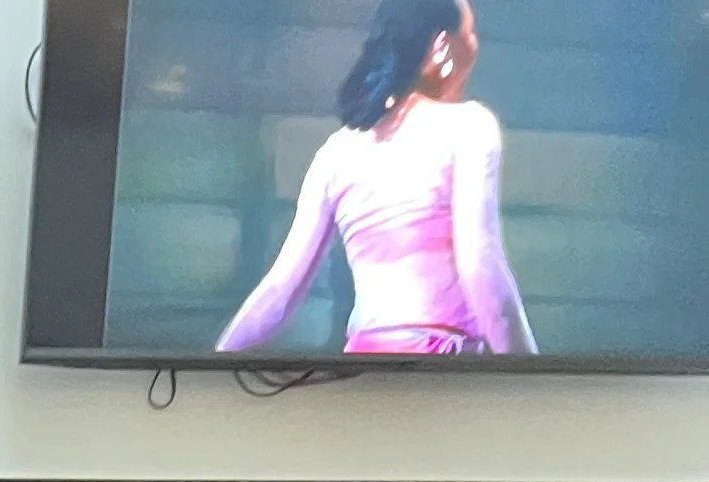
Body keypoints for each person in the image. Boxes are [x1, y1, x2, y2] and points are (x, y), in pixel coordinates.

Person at [218, 3, 535, 358]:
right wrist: (534, 382)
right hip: (443, 373)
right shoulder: (469, 127)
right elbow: (480, 267)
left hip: (363, 373)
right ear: (443, 46)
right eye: (471, 33)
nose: (475, 46)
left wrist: (211, 366)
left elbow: (280, 290)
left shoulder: (336, 153)